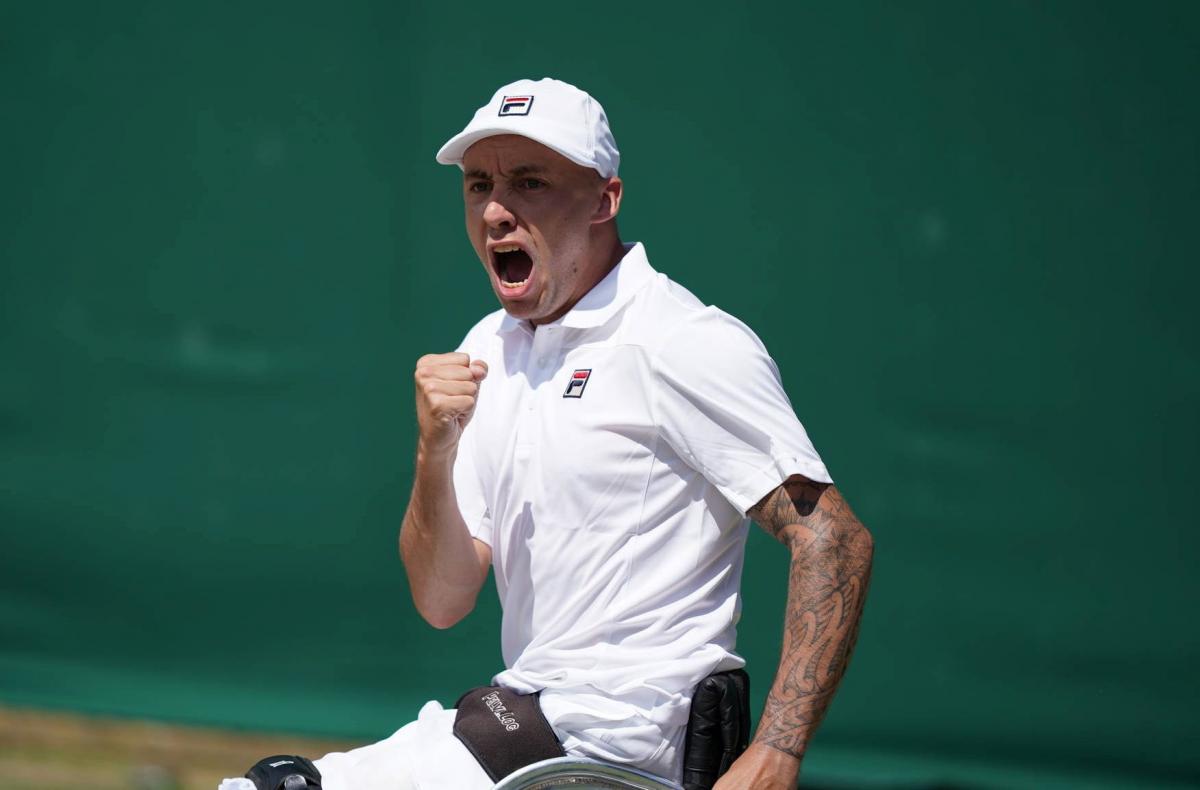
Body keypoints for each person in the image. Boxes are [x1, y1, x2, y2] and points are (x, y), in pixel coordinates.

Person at [223, 77, 873, 790]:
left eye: (529, 183)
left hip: (615, 749)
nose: (496, 210)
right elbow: (443, 600)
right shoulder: (488, 348)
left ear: (604, 199)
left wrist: (777, 751)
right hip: (525, 725)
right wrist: (432, 451)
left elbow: (834, 537)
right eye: (478, 186)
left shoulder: (682, 341)